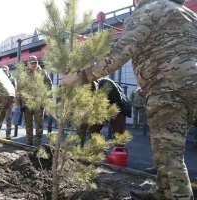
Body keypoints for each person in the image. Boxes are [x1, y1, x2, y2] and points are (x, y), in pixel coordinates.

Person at [62, 0, 196, 199]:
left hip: (168, 89)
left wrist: (80, 76)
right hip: (189, 87)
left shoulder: (148, 10)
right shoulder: (189, 15)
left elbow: (118, 54)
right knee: (163, 150)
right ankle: (161, 192)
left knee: (170, 157)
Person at [20, 56, 52, 146]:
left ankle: (37, 143)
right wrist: (21, 103)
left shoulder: (43, 73)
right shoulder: (24, 74)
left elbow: (49, 85)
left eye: (35, 62)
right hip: (27, 103)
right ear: (28, 64)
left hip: (39, 102)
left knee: (39, 124)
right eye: (32, 63)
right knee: (28, 124)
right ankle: (29, 142)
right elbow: (20, 88)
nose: (34, 64)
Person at [1, 65, 16, 139]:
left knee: (8, 119)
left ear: (8, 71)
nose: (4, 71)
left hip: (9, 102)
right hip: (0, 102)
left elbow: (15, 90)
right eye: (2, 70)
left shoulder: (12, 79)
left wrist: (13, 101)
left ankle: (8, 134)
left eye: (5, 70)